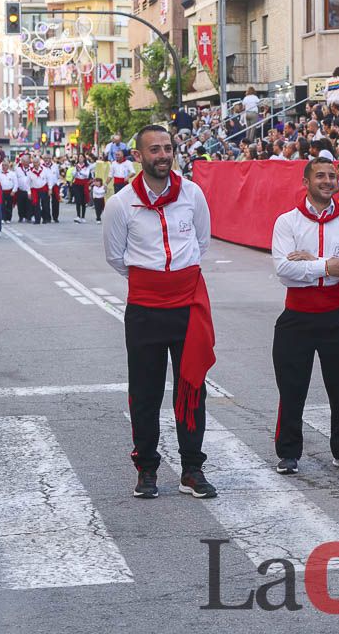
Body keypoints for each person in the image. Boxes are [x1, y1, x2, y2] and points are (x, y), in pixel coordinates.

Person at [103, 125, 217, 500]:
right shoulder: (121, 204)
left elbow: (201, 241)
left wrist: (176, 278)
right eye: (155, 150)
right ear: (139, 156)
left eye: (168, 148)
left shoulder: (192, 194)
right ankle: (147, 468)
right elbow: (116, 257)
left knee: (191, 389)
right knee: (146, 392)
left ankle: (192, 468)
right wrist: (154, 280)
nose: (163, 155)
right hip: (145, 309)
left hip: (187, 304)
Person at [270, 157, 339, 475]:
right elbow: (284, 270)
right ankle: (288, 453)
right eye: (320, 176)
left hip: (336, 315)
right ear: (306, 182)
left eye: (332, 176)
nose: (328, 181)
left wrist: (311, 260)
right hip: (296, 317)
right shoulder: (287, 222)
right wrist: (327, 266)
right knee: (292, 388)